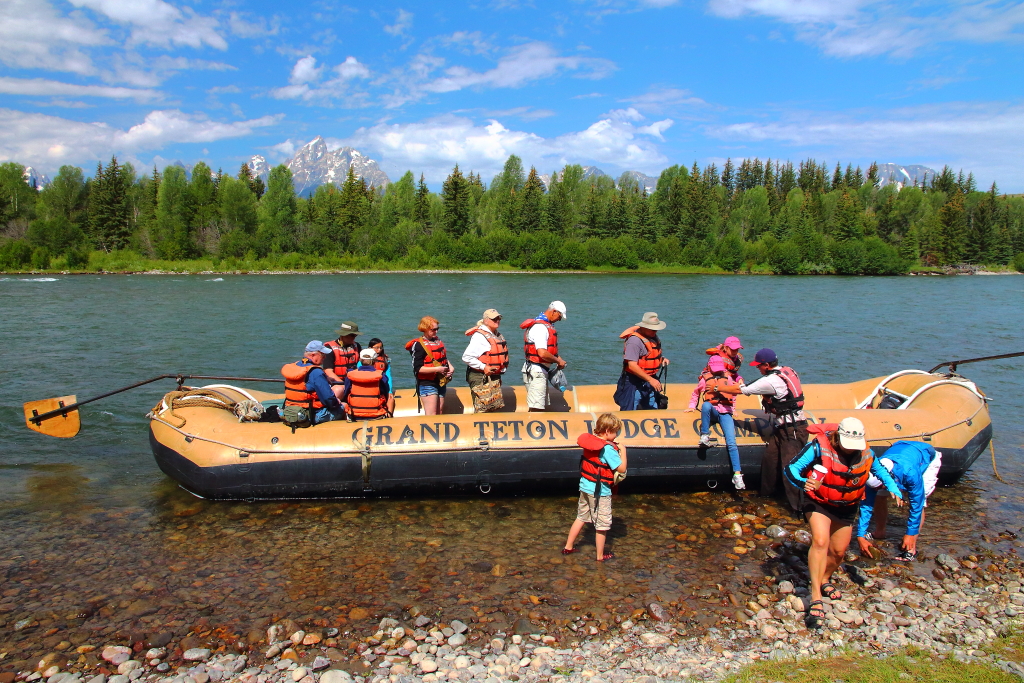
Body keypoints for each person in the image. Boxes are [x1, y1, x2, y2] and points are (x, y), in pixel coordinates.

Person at [786, 418, 903, 628]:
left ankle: (824, 579)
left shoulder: (866, 452)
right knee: (820, 542)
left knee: (839, 552)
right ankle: (815, 598)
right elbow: (791, 469)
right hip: (818, 501)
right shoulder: (818, 448)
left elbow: (879, 470)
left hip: (847, 506)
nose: (851, 451)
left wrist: (893, 488)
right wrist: (805, 482)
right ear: (838, 438)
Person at [717, 348, 807, 509]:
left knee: (790, 468)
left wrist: (717, 388)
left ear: (766, 365)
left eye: (759, 366)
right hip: (781, 427)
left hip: (793, 429)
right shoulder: (787, 370)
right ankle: (766, 495)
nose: (758, 369)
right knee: (770, 460)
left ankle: (798, 508)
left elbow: (741, 389)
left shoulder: (771, 380)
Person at [856, 441, 942, 561]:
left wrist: (910, 533)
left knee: (920, 503)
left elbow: (916, 505)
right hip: (900, 452)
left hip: (925, 458)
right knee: (879, 497)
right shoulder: (872, 474)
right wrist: (861, 534)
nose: (877, 489)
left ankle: (911, 548)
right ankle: (879, 532)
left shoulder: (910, 473)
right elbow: (866, 506)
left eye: (880, 487)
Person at [563, 413, 627, 562]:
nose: (616, 435)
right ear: (607, 432)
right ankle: (600, 556)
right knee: (602, 525)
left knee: (581, 517)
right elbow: (621, 468)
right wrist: (623, 451)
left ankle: (568, 546)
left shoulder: (591, 442)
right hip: (600, 491)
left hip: (585, 487)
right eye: (615, 431)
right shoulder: (607, 449)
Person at [686, 354, 746, 490]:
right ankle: (704, 435)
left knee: (731, 442)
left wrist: (733, 409)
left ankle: (737, 474)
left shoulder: (728, 379)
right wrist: (691, 407)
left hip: (725, 412)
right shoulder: (704, 380)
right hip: (712, 410)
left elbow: (733, 395)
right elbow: (696, 393)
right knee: (706, 406)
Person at [280, 341, 345, 424]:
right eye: (323, 355)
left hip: (291, 411)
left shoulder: (295, 366)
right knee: (343, 406)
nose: (325, 357)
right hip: (311, 414)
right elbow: (328, 399)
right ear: (313, 355)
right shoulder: (316, 372)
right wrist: (337, 403)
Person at [615, 312, 670, 410]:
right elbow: (632, 365)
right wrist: (650, 380)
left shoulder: (652, 337)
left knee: (652, 406)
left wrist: (661, 359)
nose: (655, 331)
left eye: (656, 329)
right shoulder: (634, 341)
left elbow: (647, 355)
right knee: (630, 408)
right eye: (652, 329)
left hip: (649, 380)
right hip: (634, 382)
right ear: (644, 327)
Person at [520, 301, 568, 412]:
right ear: (554, 311)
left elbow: (547, 350)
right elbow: (542, 352)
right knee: (537, 407)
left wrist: (558, 358)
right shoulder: (541, 328)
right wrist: (557, 361)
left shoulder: (544, 326)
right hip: (536, 371)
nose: (559, 319)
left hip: (538, 370)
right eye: (559, 316)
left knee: (540, 405)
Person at [462, 308, 508, 413]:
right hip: (480, 377)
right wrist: (484, 367)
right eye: (494, 319)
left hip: (494, 376)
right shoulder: (479, 336)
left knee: (494, 407)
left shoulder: (496, 335)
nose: (497, 320)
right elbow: (466, 357)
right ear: (486, 320)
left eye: (498, 318)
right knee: (482, 409)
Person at [406, 316, 454, 415]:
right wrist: (438, 369)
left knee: (440, 411)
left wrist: (450, 366)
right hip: (427, 383)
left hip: (440, 381)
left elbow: (442, 357)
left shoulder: (437, 341)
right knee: (432, 414)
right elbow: (417, 368)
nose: (436, 332)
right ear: (425, 329)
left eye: (437, 329)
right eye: (433, 330)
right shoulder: (419, 345)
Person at [342, 348, 392, 420]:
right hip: (377, 415)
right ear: (375, 361)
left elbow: (346, 393)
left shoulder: (350, 375)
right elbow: (386, 394)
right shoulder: (381, 376)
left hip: (354, 415)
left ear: (360, 360)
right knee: (390, 397)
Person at [323, 321, 362, 386]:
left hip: (354, 382)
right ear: (344, 335)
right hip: (336, 384)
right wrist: (343, 385)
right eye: (352, 335)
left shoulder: (357, 346)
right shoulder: (329, 348)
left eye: (356, 335)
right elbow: (328, 371)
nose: (354, 337)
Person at [367, 337, 396, 417]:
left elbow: (388, 376)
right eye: (376, 348)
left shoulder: (385, 360)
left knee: (390, 399)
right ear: (370, 348)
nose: (379, 350)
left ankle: (389, 415)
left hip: (382, 386)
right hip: (370, 388)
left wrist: (389, 391)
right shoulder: (364, 360)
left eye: (380, 347)